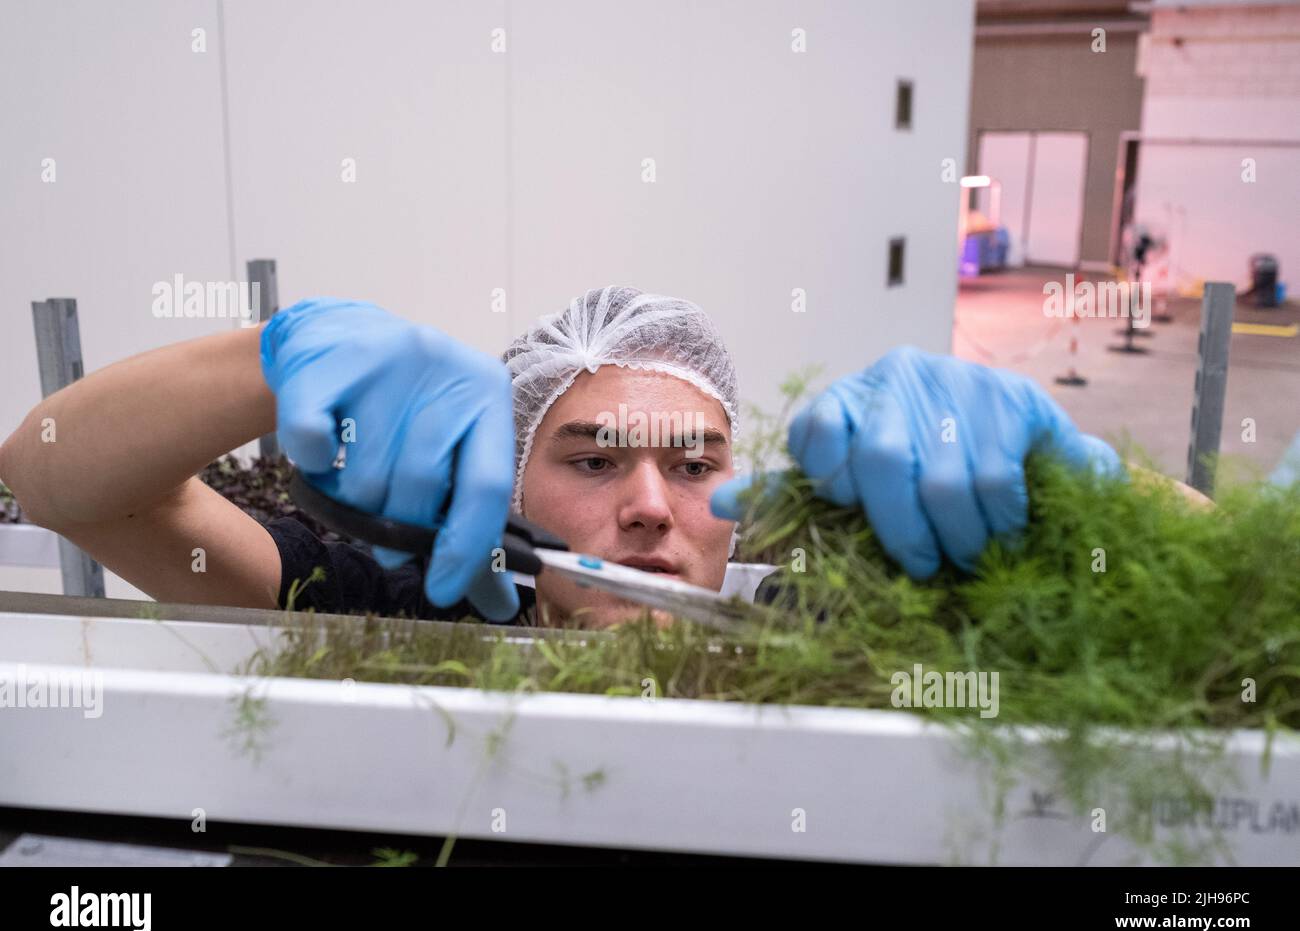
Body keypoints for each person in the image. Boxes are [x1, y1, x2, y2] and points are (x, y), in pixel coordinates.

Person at [0, 287, 1119, 629]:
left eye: (693, 466)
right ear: (504, 491)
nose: (648, 506)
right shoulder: (395, 618)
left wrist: (1079, 491)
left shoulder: (829, 634)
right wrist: (272, 355)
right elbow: (54, 478)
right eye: (590, 462)